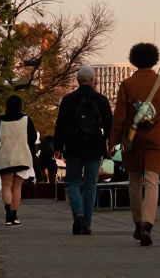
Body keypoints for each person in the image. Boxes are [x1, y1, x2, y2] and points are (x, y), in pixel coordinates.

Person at [109, 42, 160, 246]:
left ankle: (138, 223)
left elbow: (119, 118)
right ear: (154, 59)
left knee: (134, 181)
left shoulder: (127, 85)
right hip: (157, 138)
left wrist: (113, 142)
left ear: (133, 60)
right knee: (152, 180)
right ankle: (148, 223)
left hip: (133, 138)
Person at [54, 65, 114, 236]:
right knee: (90, 184)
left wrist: (58, 146)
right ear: (93, 79)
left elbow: (61, 125)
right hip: (95, 146)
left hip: (74, 146)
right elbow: (109, 124)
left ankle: (78, 213)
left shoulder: (69, 100)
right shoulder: (101, 100)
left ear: (78, 80)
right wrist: (110, 144)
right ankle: (87, 223)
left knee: (73, 181)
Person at [0, 95, 38, 225]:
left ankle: (8, 215)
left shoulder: (0, 120)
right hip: (22, 156)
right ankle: (14, 216)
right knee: (17, 187)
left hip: (5, 156)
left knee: (6, 185)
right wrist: (32, 155)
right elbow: (32, 139)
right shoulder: (26, 120)